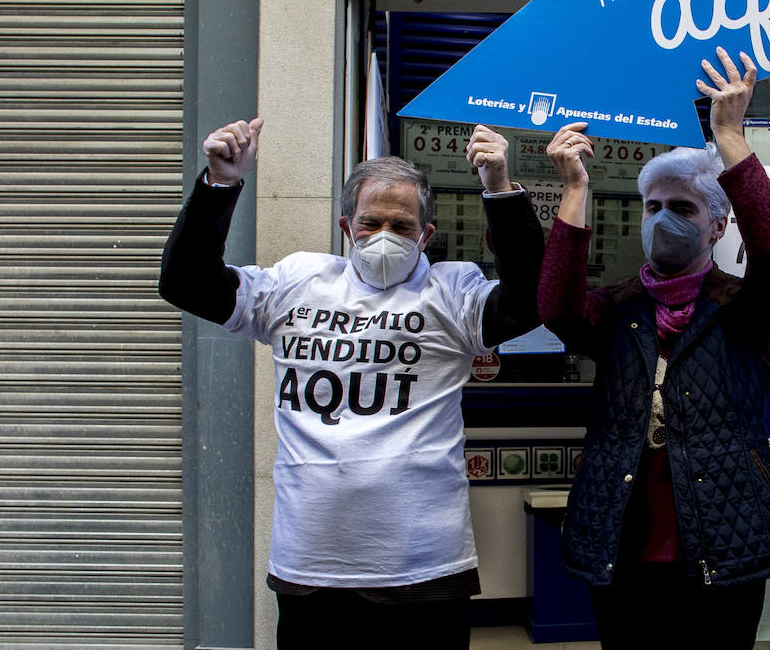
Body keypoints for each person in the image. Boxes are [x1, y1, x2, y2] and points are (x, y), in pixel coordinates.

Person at [158, 117, 543, 649]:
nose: (384, 236)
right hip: (311, 567)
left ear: (426, 234)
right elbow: (187, 282)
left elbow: (528, 301)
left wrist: (500, 190)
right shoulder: (297, 281)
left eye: (403, 226)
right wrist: (220, 183)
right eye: (370, 223)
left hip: (423, 570)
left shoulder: (451, 291)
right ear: (346, 228)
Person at [538, 48, 770, 649]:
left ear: (717, 225)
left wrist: (729, 137)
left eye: (682, 208)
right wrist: (576, 190)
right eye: (652, 207)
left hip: (725, 545)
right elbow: (555, 308)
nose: (663, 219)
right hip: (621, 547)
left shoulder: (740, 309)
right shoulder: (616, 308)